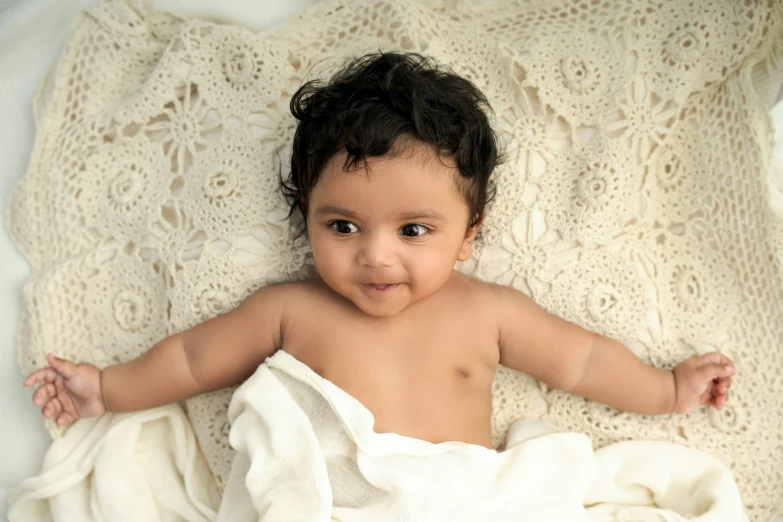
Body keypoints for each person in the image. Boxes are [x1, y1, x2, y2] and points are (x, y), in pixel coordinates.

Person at [23, 51, 734, 450]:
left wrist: (665, 389)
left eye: (413, 231)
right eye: (342, 227)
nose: (376, 258)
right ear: (306, 219)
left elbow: (581, 361)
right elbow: (191, 360)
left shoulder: (488, 313)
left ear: (469, 232)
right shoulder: (287, 310)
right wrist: (107, 389)